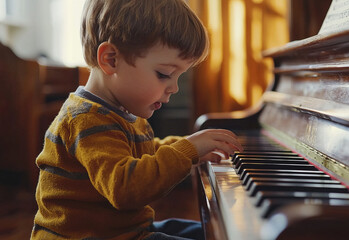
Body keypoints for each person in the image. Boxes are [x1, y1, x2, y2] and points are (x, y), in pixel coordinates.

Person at [31, 0, 243, 239]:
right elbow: (124, 188)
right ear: (111, 60)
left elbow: (141, 154)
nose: (173, 88)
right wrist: (186, 151)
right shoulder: (86, 120)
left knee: (213, 233)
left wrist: (190, 147)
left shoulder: (119, 110)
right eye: (164, 74)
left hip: (125, 231)